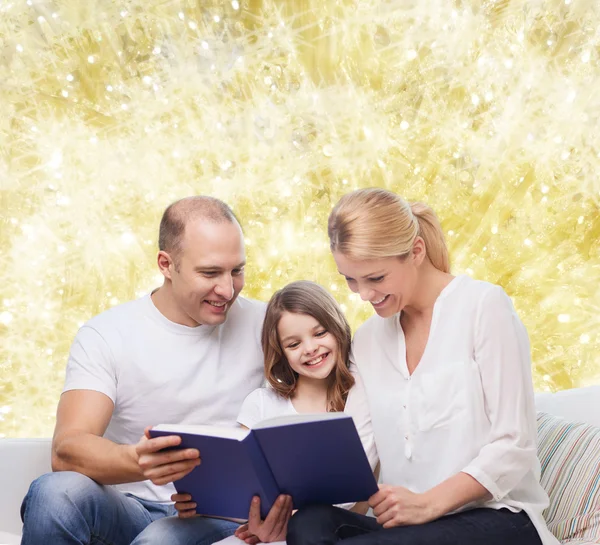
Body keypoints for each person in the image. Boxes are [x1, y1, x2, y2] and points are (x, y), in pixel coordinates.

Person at [283, 187, 559, 545]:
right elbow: (358, 453)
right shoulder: (368, 340)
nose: (362, 295)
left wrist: (428, 503)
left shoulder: (483, 307)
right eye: (350, 279)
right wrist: (282, 510)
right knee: (309, 523)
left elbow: (514, 445)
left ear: (416, 251)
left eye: (376, 278)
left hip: (499, 518)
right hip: (412, 529)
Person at [20, 196, 267, 545]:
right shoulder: (107, 333)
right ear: (166, 264)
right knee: (54, 493)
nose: (227, 289)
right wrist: (136, 460)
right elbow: (66, 449)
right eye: (210, 272)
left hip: (221, 516)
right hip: (131, 507)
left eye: (237, 270)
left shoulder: (268, 326)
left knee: (158, 541)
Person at [142, 280, 378, 545]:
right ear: (281, 352)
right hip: (264, 532)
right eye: (293, 344)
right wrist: (201, 504)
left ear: (337, 328)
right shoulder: (263, 404)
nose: (310, 348)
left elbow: (361, 499)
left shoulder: (362, 398)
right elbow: (241, 486)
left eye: (320, 333)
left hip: (334, 531)